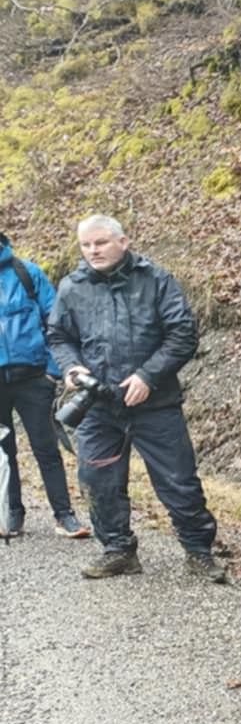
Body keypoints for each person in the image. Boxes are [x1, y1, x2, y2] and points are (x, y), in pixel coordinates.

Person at [46, 215, 226, 582]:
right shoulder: (72, 287)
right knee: (97, 481)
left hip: (155, 404)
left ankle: (199, 554)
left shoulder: (156, 280)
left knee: (179, 481)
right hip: (97, 405)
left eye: (101, 243)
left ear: (123, 242)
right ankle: (118, 550)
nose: (93, 250)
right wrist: (71, 368)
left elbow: (183, 334)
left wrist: (148, 375)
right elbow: (59, 336)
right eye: (86, 245)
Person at [0, 231, 89, 542]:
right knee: (1, 451)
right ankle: (12, 513)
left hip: (33, 377)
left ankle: (63, 514)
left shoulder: (28, 273)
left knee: (46, 448)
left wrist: (52, 372)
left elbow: (56, 324)